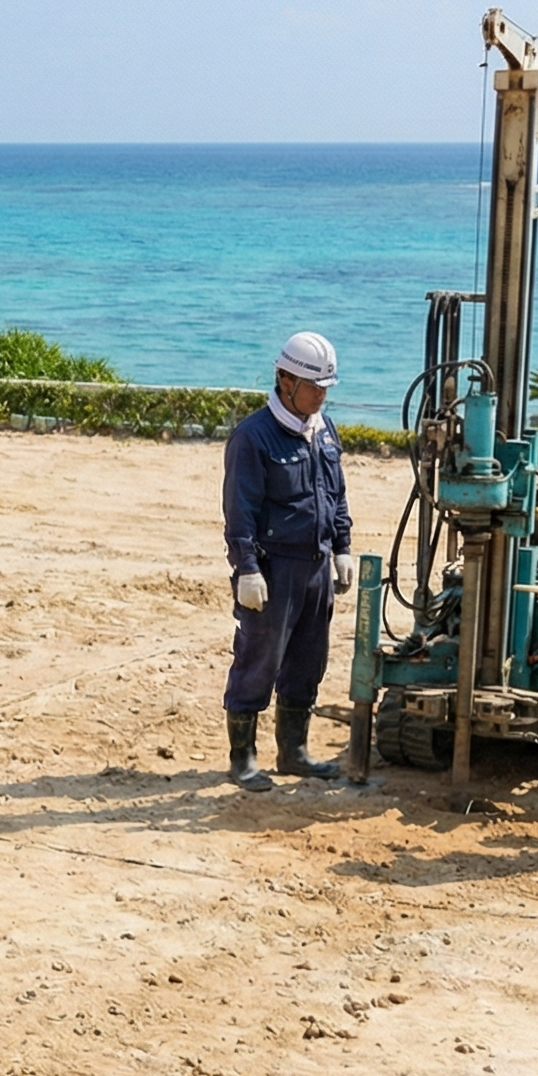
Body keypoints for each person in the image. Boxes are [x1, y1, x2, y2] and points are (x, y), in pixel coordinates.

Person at [221, 331, 355, 791]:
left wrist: (342, 547)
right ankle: (243, 758)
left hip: (316, 565)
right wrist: (246, 569)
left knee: (307, 661)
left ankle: (293, 751)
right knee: (260, 658)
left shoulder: (324, 431)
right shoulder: (253, 438)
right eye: (314, 386)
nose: (321, 395)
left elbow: (335, 495)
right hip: (275, 569)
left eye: (326, 388)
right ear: (285, 379)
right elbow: (240, 508)